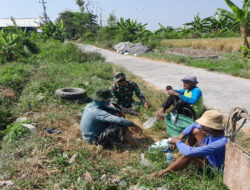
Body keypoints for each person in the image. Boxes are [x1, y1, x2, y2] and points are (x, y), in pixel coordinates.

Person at [149, 110, 228, 178]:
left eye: (204, 126)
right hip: (209, 155)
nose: (201, 127)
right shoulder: (218, 131)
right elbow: (193, 125)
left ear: (212, 127)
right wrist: (181, 136)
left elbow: (189, 152)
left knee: (190, 154)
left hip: (214, 168)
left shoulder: (223, 141)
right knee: (196, 131)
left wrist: (178, 142)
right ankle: (179, 155)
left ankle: (162, 173)